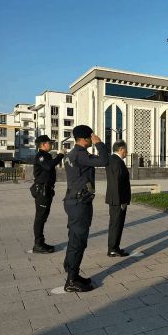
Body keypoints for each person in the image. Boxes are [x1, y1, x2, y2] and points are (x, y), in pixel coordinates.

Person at [63, 125, 109, 292]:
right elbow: (105, 161)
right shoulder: (80, 154)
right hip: (79, 203)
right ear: (84, 139)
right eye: (91, 137)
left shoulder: (71, 154)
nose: (93, 138)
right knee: (78, 241)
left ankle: (71, 271)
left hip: (73, 201)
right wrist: (100, 144)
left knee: (74, 238)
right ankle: (71, 281)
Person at [31, 135, 65, 254]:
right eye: (50, 143)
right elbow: (48, 166)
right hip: (42, 191)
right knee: (40, 218)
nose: (51, 144)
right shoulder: (41, 156)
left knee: (43, 217)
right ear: (44, 144)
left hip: (47, 190)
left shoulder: (46, 155)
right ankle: (38, 245)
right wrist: (60, 155)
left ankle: (40, 242)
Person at [105, 140, 131, 257]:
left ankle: (114, 247)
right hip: (118, 199)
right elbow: (117, 182)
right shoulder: (117, 162)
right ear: (121, 149)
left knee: (115, 224)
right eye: (126, 149)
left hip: (115, 198)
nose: (127, 152)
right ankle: (113, 249)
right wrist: (121, 200)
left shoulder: (113, 160)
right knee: (116, 224)